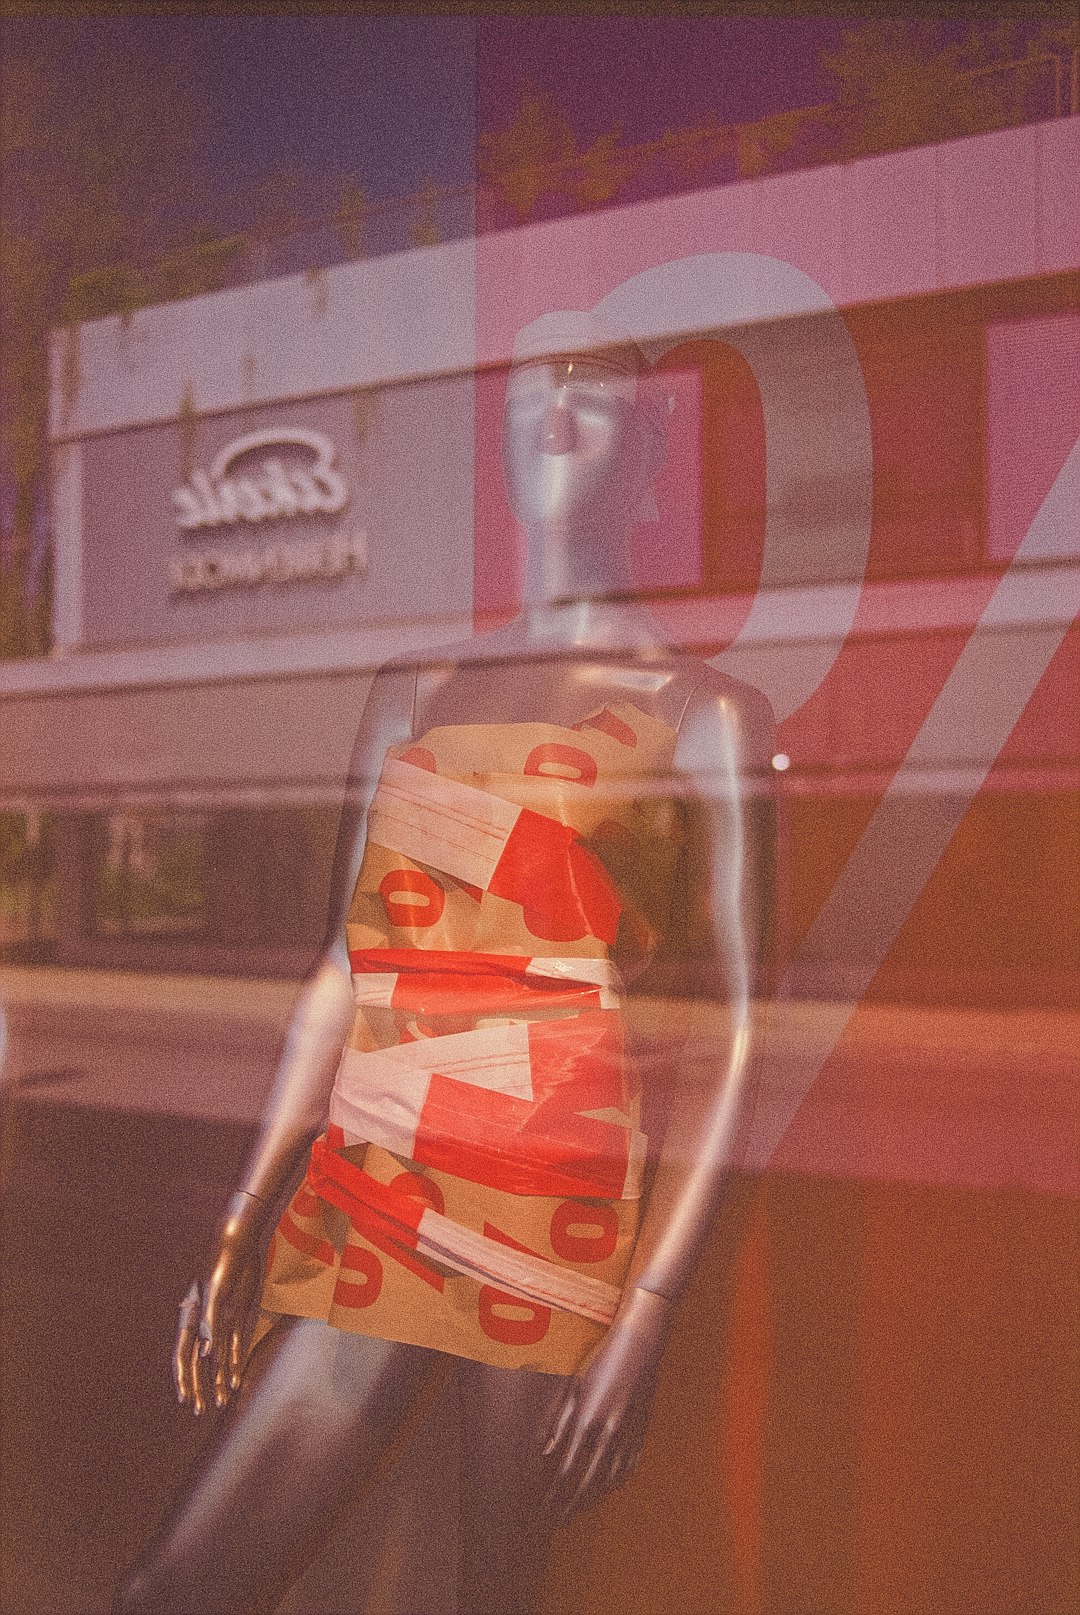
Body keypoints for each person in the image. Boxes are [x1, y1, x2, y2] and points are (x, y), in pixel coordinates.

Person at [114, 309, 776, 1615]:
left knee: (497, 1595)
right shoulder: (412, 692)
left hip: (561, 1219)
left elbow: (747, 1027)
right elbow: (338, 973)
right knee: (173, 1590)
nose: (554, 423)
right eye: (531, 402)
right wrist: (248, 1214)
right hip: (383, 1200)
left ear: (647, 465)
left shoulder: (699, 715)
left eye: (592, 402)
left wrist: (647, 1306)